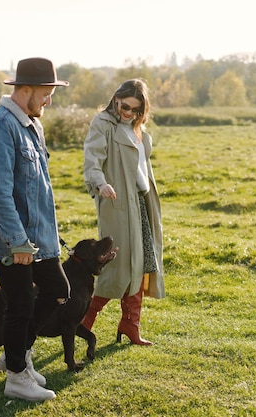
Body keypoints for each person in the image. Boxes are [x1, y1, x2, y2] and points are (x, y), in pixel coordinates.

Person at [0, 57, 71, 402]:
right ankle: (16, 377)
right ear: (25, 90)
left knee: (58, 289)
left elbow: (36, 189)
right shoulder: (0, 126)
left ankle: (16, 357)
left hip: (37, 237)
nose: (49, 100)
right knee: (20, 305)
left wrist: (48, 235)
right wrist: (17, 241)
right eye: (46, 93)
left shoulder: (30, 124)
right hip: (13, 241)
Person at [81, 78, 165, 346]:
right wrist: (100, 183)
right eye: (124, 105)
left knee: (141, 265)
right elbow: (92, 159)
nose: (127, 113)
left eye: (135, 110)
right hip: (117, 202)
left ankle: (131, 325)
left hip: (142, 202)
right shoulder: (103, 124)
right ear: (116, 98)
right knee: (115, 267)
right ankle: (83, 323)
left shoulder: (138, 130)